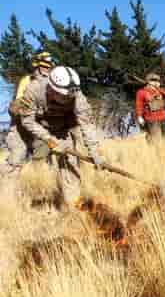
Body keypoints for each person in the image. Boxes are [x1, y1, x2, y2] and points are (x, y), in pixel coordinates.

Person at [15, 66, 104, 209]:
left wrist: (94, 151)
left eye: (68, 96)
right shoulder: (34, 89)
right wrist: (48, 139)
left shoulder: (77, 95)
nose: (67, 99)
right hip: (31, 126)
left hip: (60, 127)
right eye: (62, 96)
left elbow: (87, 124)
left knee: (70, 163)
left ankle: (73, 205)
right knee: (16, 159)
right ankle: (11, 198)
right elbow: (27, 121)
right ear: (51, 88)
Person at [0, 52, 56, 184]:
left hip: (39, 130)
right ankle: (6, 188)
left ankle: (36, 186)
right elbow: (17, 107)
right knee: (17, 158)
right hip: (20, 128)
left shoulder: (53, 84)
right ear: (37, 66)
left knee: (47, 156)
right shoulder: (27, 81)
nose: (47, 70)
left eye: (49, 67)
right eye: (44, 66)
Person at [135, 73, 165, 141]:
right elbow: (139, 105)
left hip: (162, 118)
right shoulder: (141, 92)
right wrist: (139, 116)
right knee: (154, 140)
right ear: (148, 81)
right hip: (151, 119)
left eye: (157, 81)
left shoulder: (159, 90)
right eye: (154, 80)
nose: (156, 82)